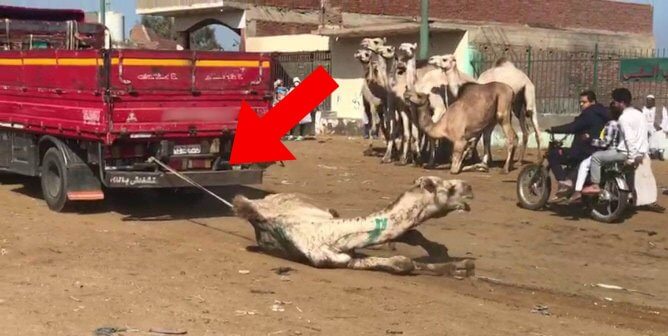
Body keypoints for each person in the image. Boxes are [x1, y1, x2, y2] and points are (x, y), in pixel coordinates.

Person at [581, 88, 664, 213]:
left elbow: (629, 139)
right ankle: (628, 196)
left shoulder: (624, 118)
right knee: (629, 175)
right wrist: (640, 153)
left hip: (625, 153)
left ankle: (595, 185)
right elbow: (644, 135)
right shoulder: (639, 114)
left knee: (596, 157)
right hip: (640, 153)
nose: (613, 104)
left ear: (621, 102)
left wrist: (631, 157)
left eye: (614, 101)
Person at [545, 90, 611, 197]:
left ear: (592, 102)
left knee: (553, 154)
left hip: (583, 150)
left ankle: (565, 183)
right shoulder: (603, 114)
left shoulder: (589, 114)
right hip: (599, 149)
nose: (581, 104)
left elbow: (573, 127)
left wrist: (554, 129)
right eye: (580, 102)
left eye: (584, 102)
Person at [569, 101, 621, 203]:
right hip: (620, 152)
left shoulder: (611, 124)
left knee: (584, 164)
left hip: (608, 152)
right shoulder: (622, 123)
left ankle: (577, 191)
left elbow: (605, 143)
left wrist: (590, 140)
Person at [642, 94, 665, 160]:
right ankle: (649, 153)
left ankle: (660, 152)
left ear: (654, 101)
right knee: (645, 137)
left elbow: (665, 118)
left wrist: (661, 126)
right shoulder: (643, 109)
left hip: (656, 126)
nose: (649, 102)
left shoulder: (660, 109)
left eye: (650, 101)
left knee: (660, 134)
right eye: (647, 101)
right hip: (645, 126)